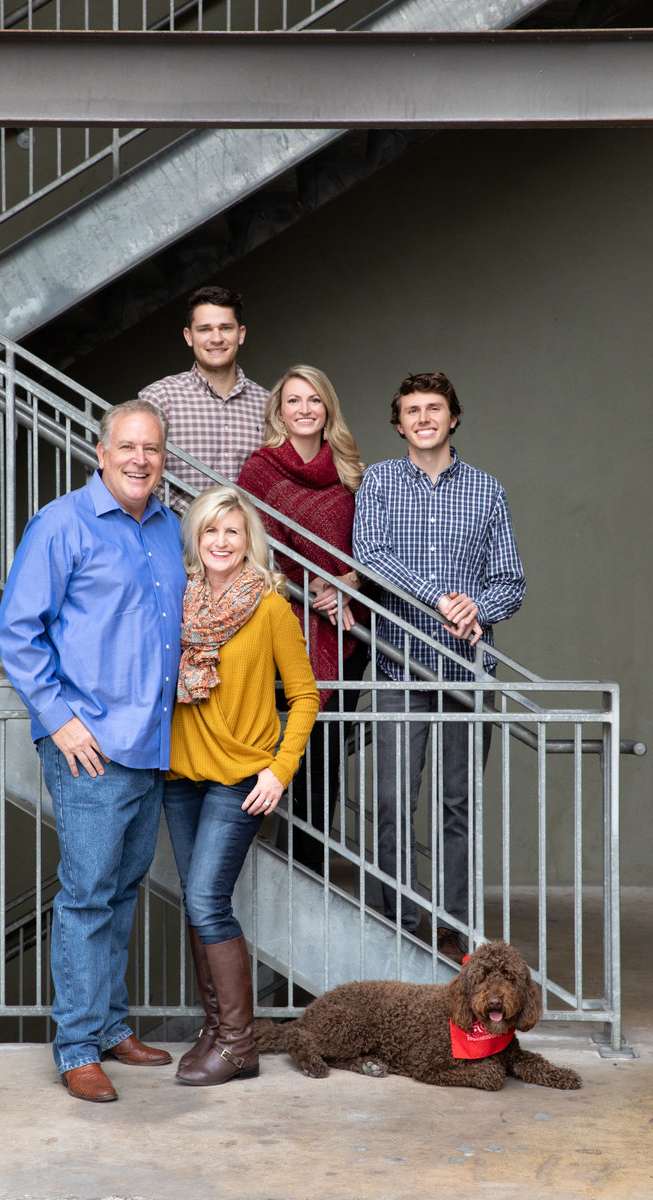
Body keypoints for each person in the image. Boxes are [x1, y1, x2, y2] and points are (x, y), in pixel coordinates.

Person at [0, 399, 186, 1103]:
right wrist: (59, 718)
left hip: (150, 743)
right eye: (128, 447)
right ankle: (76, 1043)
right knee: (86, 896)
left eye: (153, 450)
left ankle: (109, 1025)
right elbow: (17, 630)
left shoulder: (168, 528)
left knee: (124, 889)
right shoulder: (62, 524)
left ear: (164, 460)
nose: (140, 460)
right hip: (91, 747)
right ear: (100, 453)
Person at [352, 372, 525, 963]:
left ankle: (451, 927)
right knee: (394, 800)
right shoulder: (377, 481)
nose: (423, 417)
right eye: (411, 410)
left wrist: (478, 604)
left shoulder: (487, 490)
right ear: (398, 423)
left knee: (459, 805)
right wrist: (437, 596)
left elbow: (511, 581)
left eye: (435, 408)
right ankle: (397, 919)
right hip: (400, 668)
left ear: (453, 417)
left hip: (468, 673)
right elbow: (370, 555)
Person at [164, 486, 319, 1086]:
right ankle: (214, 1030)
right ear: (195, 541)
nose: (222, 543)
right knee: (195, 903)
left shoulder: (271, 608)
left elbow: (304, 696)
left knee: (207, 900)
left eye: (232, 532)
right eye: (210, 532)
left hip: (241, 778)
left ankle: (238, 1043)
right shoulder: (180, 600)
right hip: (180, 774)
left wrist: (280, 769)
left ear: (248, 539)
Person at [237, 365, 369, 871]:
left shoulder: (351, 471)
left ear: (328, 408)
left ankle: (306, 868)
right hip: (282, 623)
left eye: (315, 399)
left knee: (327, 752)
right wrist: (303, 581)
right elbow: (253, 548)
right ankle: (253, 861)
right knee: (277, 744)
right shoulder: (260, 470)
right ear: (279, 411)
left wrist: (346, 585)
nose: (305, 409)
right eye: (294, 400)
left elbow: (369, 552)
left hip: (348, 628)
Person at [139, 285, 268, 513]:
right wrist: (202, 518)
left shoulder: (268, 404)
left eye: (226, 328)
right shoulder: (159, 398)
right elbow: (143, 470)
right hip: (175, 539)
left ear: (241, 334)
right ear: (189, 336)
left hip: (249, 542)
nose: (216, 338)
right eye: (205, 329)